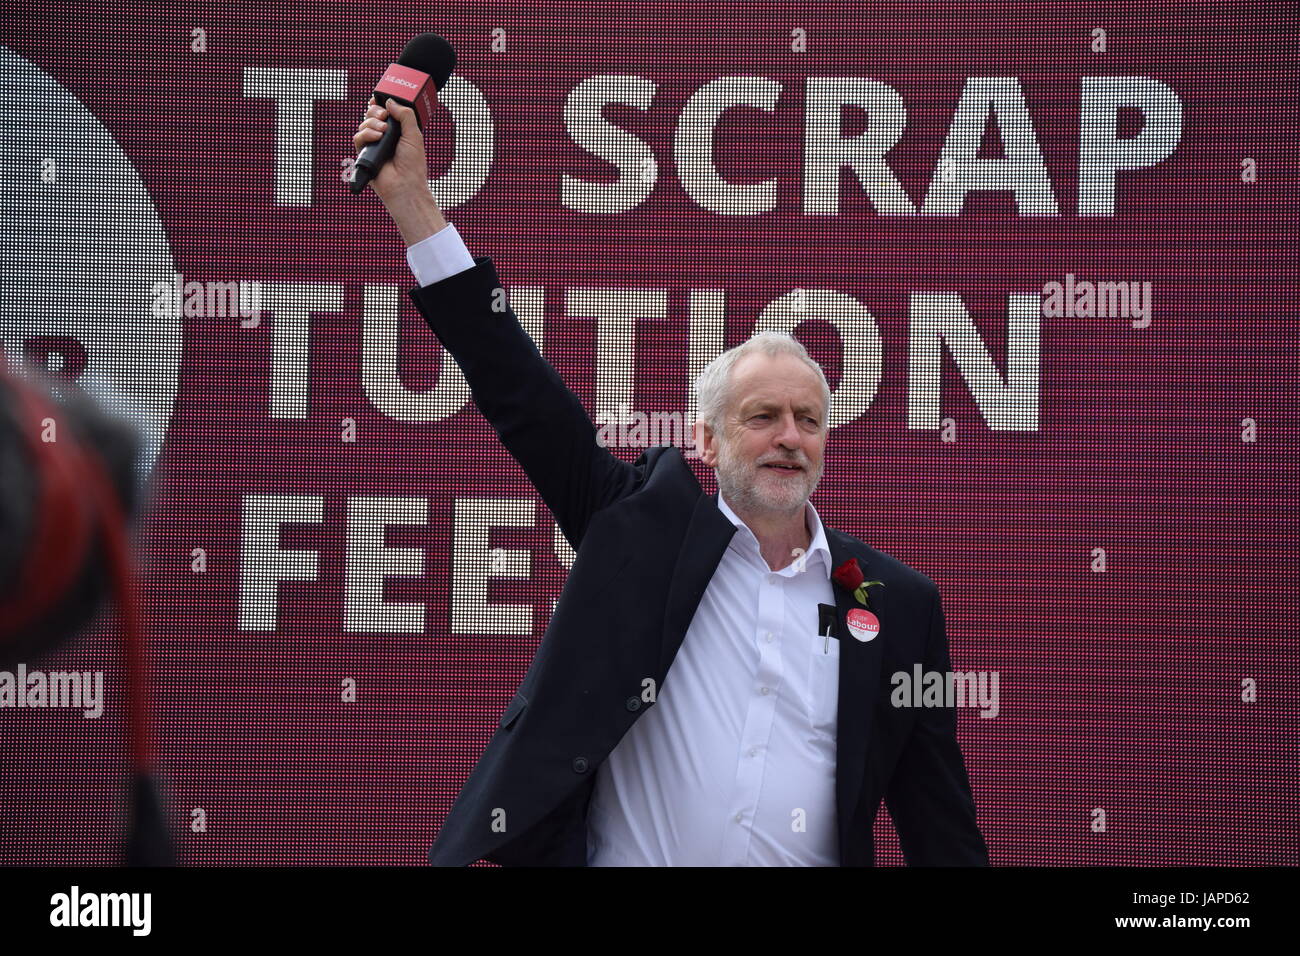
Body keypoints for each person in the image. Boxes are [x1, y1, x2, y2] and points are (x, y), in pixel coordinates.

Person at [353, 97, 989, 866]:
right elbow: (514, 384)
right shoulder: (637, 530)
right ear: (705, 439)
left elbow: (941, 826)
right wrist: (412, 201)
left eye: (809, 420)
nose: (789, 437)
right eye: (763, 416)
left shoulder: (894, 606)